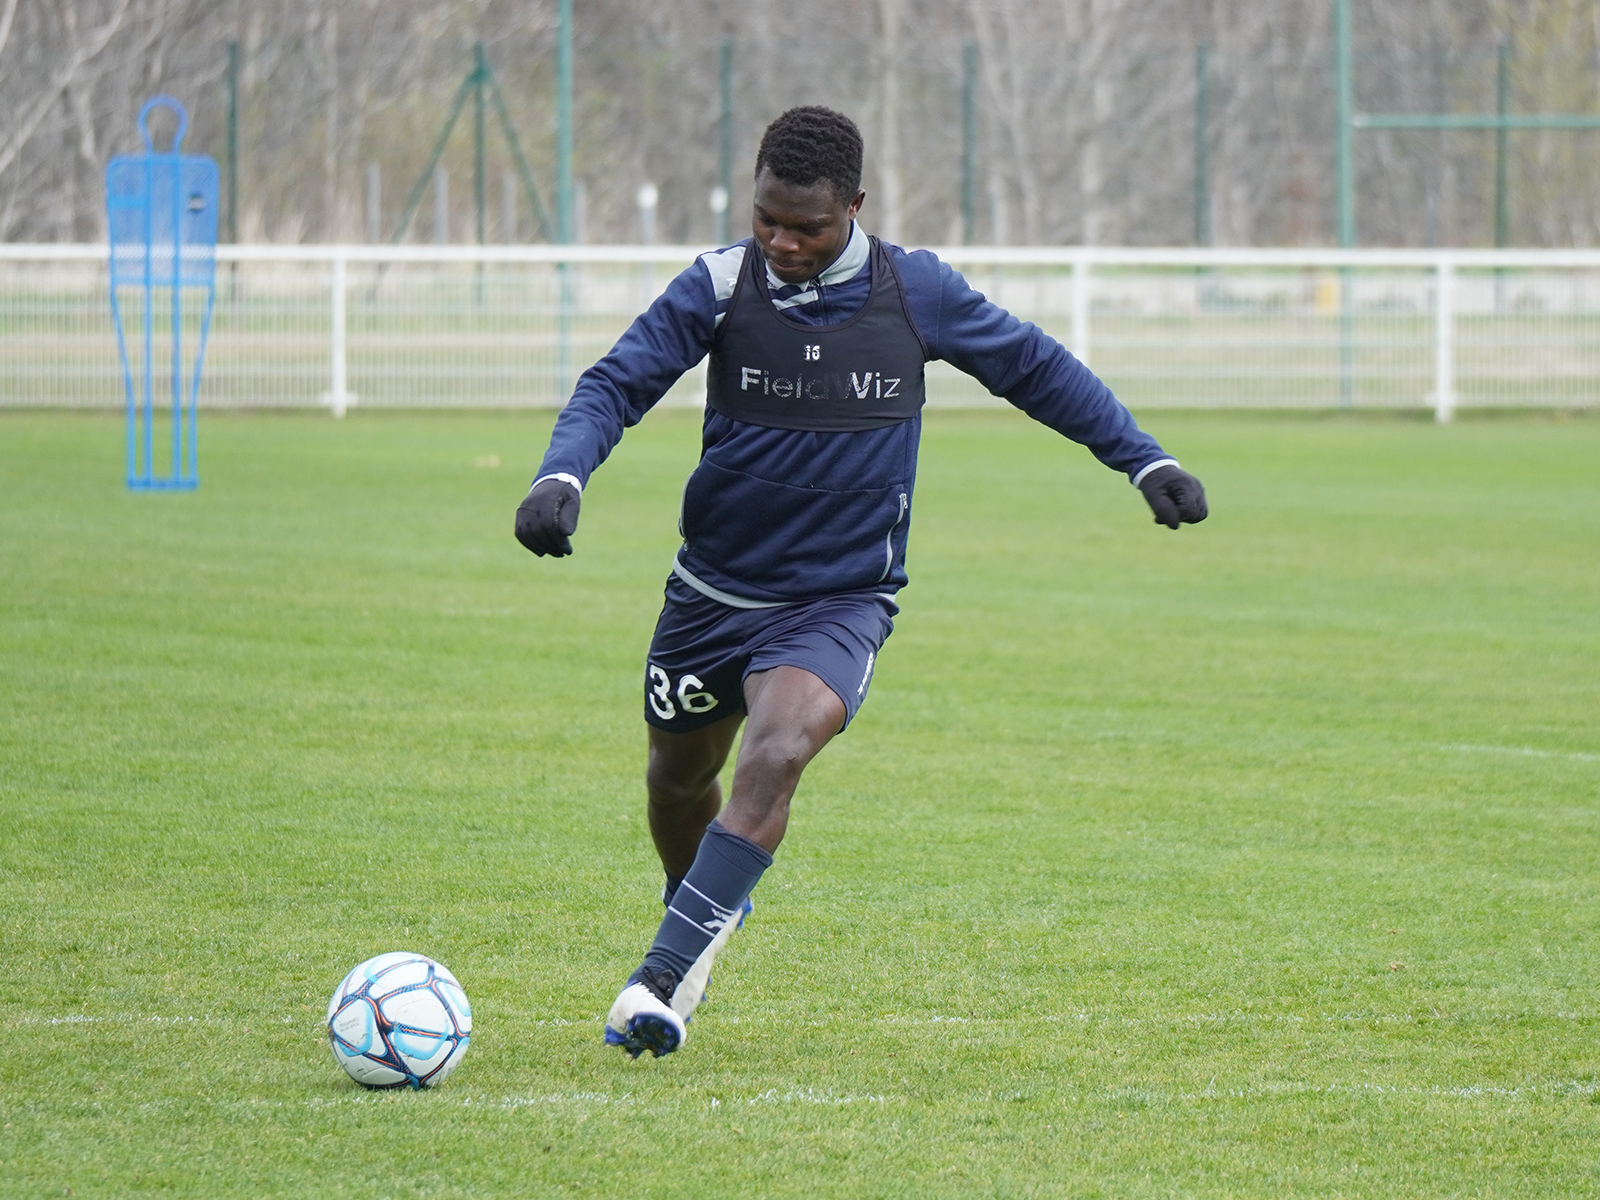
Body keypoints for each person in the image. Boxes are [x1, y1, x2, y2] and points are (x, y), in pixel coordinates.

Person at [515, 106, 1206, 1059]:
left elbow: (1035, 369)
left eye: (808, 226)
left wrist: (1143, 460)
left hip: (839, 600)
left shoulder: (913, 291)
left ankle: (658, 981)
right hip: (709, 597)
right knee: (679, 785)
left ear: (856, 206)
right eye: (767, 219)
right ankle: (707, 903)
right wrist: (562, 474)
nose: (783, 242)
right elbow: (615, 384)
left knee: (779, 751)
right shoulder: (718, 285)